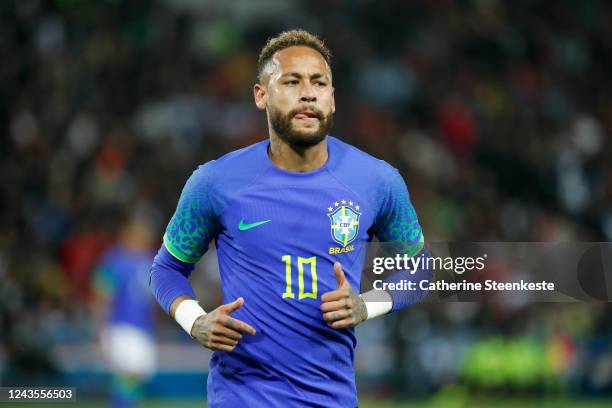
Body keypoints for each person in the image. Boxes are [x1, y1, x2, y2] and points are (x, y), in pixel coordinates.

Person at [150, 29, 430, 407]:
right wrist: (194, 320)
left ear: (332, 99)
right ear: (261, 95)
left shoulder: (377, 181)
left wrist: (367, 304)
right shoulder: (214, 182)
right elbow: (166, 269)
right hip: (242, 396)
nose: (308, 93)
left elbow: (420, 269)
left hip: (331, 399)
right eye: (292, 81)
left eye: (320, 83)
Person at [93, 213, 158, 408]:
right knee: (126, 375)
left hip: (143, 328)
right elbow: (101, 295)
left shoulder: (149, 259)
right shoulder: (114, 260)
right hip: (121, 326)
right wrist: (100, 328)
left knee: (136, 377)